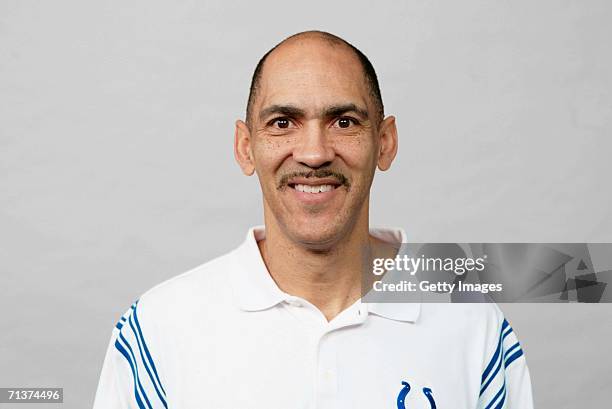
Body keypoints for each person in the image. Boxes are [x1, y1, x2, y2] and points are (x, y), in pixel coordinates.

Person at [92, 31, 534, 409]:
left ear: (385, 143)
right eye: (283, 122)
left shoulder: (474, 324)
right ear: (246, 147)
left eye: (343, 121)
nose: (314, 153)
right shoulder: (155, 329)